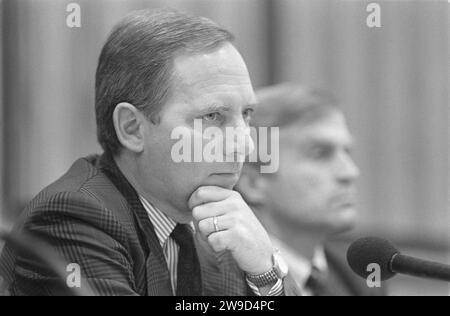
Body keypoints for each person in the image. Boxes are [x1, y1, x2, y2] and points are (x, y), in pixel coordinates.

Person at [0, 9, 294, 296]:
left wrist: (266, 275)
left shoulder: (219, 222)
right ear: (132, 128)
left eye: (247, 114)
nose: (246, 145)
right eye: (213, 116)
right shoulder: (71, 218)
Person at [236, 83, 385, 296]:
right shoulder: (216, 282)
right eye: (320, 153)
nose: (350, 173)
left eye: (347, 152)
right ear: (253, 183)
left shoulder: (364, 279)